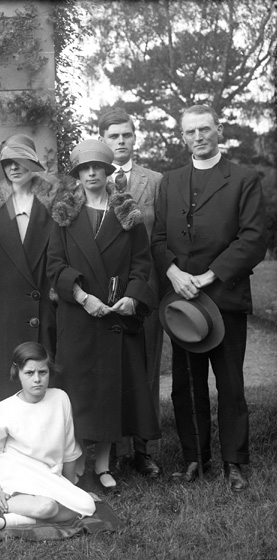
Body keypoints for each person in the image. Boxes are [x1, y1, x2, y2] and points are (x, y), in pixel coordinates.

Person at [151, 105, 267, 491]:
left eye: (205, 129)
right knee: (186, 384)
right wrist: (174, 273)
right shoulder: (170, 181)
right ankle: (194, 459)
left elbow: (253, 238)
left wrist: (208, 276)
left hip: (224, 296)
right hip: (182, 299)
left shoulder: (244, 178)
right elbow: (158, 240)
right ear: (182, 137)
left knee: (230, 383)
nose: (198, 137)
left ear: (218, 131)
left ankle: (235, 461)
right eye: (190, 132)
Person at [46, 139, 160, 491]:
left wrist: (131, 298)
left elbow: (143, 264)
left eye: (97, 167)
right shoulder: (64, 215)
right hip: (79, 318)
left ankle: (103, 464)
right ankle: (76, 460)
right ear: (77, 174)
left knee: (111, 390)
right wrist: (81, 296)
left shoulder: (128, 215)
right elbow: (54, 265)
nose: (91, 173)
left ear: (109, 171)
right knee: (78, 392)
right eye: (84, 169)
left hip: (115, 317)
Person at [0, 134, 57, 433]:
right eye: (7, 162)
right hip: (0, 311)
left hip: (40, 308)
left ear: (33, 164)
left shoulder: (55, 206)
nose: (14, 168)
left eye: (21, 161)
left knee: (38, 387)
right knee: (2, 391)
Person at [0, 342, 95, 532]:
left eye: (43, 372)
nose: (37, 379)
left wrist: (69, 487)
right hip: (17, 472)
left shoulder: (60, 398)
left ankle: (6, 517)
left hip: (49, 473)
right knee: (47, 507)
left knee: (87, 505)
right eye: (30, 373)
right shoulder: (7, 407)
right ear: (18, 374)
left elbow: (69, 450)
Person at [98, 109, 164, 478]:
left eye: (126, 135)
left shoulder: (155, 181)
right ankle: (112, 448)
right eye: (113, 136)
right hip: (103, 290)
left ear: (134, 137)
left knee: (146, 366)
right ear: (103, 139)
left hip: (145, 287)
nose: (121, 142)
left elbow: (160, 235)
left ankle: (143, 449)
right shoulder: (92, 180)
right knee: (110, 367)